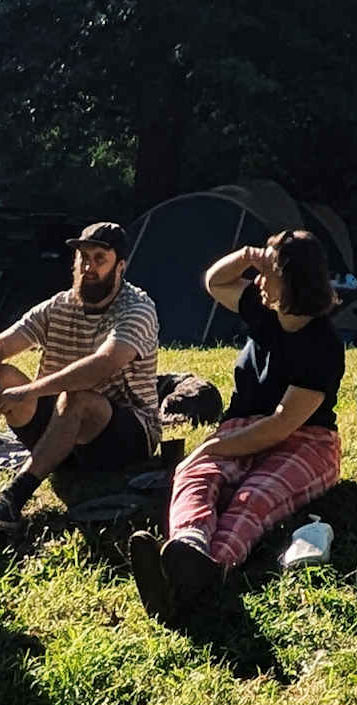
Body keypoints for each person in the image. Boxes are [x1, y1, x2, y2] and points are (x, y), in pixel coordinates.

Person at [129, 227, 345, 622]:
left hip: (305, 439)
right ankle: (188, 546)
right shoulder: (263, 312)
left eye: (269, 272)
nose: (258, 281)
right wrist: (250, 253)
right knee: (197, 475)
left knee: (253, 497)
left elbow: (282, 425)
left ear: (294, 280)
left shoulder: (323, 344)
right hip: (242, 425)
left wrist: (212, 446)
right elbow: (215, 281)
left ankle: (209, 568)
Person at [0, 220, 166, 543]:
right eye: (83, 257)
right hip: (62, 428)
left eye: (100, 258)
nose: (88, 267)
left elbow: (102, 365)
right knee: (1, 376)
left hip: (124, 435)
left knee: (76, 397)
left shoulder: (137, 308)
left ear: (120, 266)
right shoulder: (59, 305)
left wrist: (29, 391)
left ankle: (12, 501)